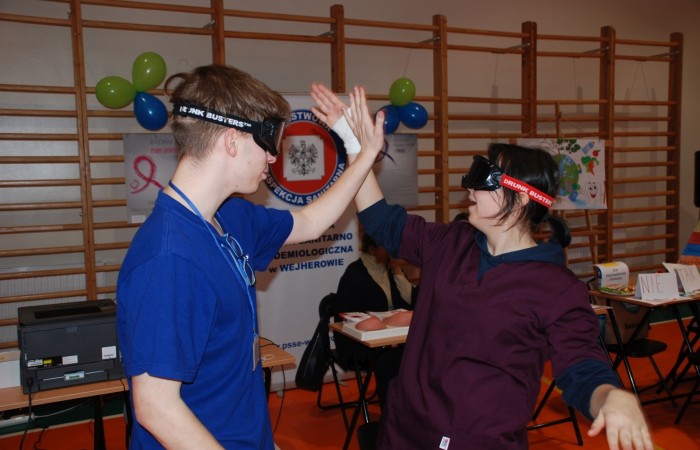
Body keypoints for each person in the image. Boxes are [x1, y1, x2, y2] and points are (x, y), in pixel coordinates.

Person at [310, 84, 654, 450]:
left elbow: (581, 364)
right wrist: (354, 144)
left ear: (521, 199)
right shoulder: (452, 242)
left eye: (484, 178)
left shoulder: (557, 288)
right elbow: (382, 222)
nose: (470, 189)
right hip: (404, 433)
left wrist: (610, 396)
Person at [116, 66, 384, 449]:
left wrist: (363, 152)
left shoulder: (229, 217)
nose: (273, 159)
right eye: (269, 144)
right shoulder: (169, 257)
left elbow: (310, 222)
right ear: (232, 141)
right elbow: (156, 407)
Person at [333, 232, 415, 408]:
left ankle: (406, 407)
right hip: (362, 343)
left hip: (392, 338)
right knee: (390, 358)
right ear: (372, 249)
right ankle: (391, 411)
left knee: (415, 352)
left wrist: (397, 271)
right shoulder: (354, 274)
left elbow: (410, 301)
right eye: (386, 246)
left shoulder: (391, 269)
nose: (391, 250)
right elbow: (344, 315)